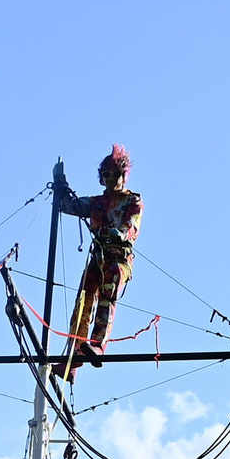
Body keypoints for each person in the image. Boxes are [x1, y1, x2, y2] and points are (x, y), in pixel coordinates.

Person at [52, 145, 143, 379]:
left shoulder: (132, 201)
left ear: (123, 176)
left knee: (106, 296)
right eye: (107, 175)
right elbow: (67, 206)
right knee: (83, 301)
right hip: (98, 257)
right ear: (102, 179)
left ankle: (98, 345)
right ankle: (72, 359)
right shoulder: (96, 203)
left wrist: (119, 234)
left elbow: (130, 226)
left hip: (118, 259)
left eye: (116, 174)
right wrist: (61, 186)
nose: (112, 179)